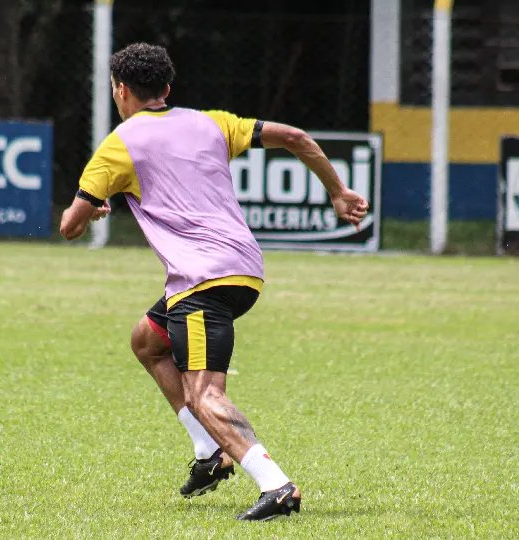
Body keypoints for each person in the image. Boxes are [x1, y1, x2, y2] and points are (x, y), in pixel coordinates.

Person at [60, 43, 369, 522]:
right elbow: (296, 136)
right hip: (244, 268)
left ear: (120, 91)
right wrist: (338, 190)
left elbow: (69, 227)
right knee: (147, 341)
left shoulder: (119, 144)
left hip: (202, 283)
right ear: (166, 88)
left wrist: (94, 210)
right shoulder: (212, 122)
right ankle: (210, 454)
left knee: (205, 394)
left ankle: (277, 485)